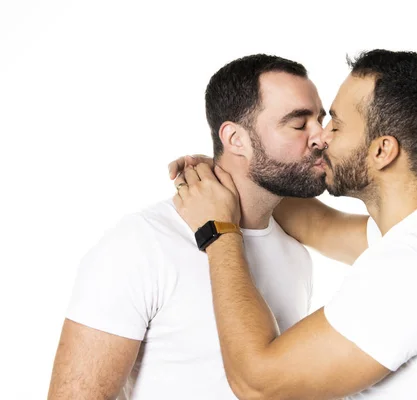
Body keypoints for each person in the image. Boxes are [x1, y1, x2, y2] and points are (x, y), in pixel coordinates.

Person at [171, 49, 417, 399]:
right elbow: (318, 226)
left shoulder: (416, 269)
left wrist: (218, 232)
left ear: (382, 151)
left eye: (336, 125)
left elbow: (258, 385)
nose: (321, 137)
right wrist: (236, 167)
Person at [48, 54, 329, 399]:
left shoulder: (296, 254)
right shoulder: (140, 245)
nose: (321, 136)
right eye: (299, 125)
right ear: (236, 139)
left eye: (321, 119)